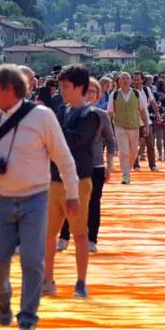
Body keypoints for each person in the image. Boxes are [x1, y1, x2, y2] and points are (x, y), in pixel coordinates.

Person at [0, 65, 79, 330]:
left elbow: (63, 156)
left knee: (32, 259)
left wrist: (72, 192)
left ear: (9, 89)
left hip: (35, 198)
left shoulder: (42, 117)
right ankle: (3, 300)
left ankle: (28, 318)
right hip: (0, 198)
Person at [43, 65, 100, 299]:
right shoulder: (60, 111)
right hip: (54, 180)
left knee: (79, 234)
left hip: (79, 182)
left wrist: (51, 128)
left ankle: (81, 281)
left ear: (79, 88)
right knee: (48, 235)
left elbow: (74, 140)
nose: (62, 91)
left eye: (66, 86)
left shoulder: (92, 116)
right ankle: (47, 279)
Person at [58, 77, 116, 253]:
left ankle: (91, 239)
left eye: (93, 91)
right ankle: (64, 237)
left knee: (93, 202)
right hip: (72, 164)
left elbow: (110, 140)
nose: (90, 94)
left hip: (96, 165)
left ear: (98, 95)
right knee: (70, 201)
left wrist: (110, 164)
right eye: (87, 90)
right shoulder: (68, 112)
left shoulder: (101, 115)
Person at [107, 72, 149, 185]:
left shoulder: (137, 94)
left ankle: (128, 168)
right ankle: (125, 174)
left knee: (134, 151)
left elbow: (143, 110)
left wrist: (146, 125)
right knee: (123, 150)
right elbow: (110, 112)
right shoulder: (114, 95)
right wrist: (105, 126)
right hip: (119, 126)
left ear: (131, 81)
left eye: (127, 78)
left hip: (134, 126)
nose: (125, 80)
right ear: (119, 81)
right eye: (123, 78)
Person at [132, 71, 160, 172]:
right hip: (133, 122)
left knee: (150, 144)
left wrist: (157, 114)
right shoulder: (129, 91)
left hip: (147, 121)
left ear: (142, 80)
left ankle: (152, 165)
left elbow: (153, 103)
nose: (136, 81)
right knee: (134, 145)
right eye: (134, 79)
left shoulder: (146, 90)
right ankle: (135, 165)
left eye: (138, 79)